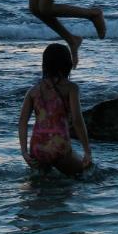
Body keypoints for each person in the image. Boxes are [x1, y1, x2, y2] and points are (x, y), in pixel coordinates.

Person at [18, 43, 92, 175]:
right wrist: (87, 151)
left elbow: (22, 121)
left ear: (45, 65)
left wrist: (24, 151)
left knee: (41, 187)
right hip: (59, 145)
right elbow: (77, 120)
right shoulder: (71, 88)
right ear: (67, 64)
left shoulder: (33, 91)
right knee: (86, 173)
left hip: (37, 147)